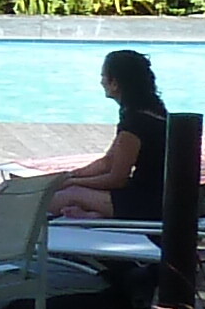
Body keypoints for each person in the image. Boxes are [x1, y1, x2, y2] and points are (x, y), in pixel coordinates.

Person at [36, 49, 174, 221]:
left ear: (115, 83)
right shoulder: (152, 112)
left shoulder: (135, 125)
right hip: (159, 196)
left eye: (103, 76)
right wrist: (70, 175)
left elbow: (116, 179)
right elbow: (107, 162)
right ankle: (94, 215)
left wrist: (73, 183)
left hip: (147, 204)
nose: (101, 81)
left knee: (69, 195)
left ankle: (16, 207)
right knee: (69, 189)